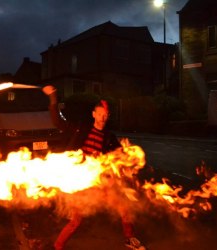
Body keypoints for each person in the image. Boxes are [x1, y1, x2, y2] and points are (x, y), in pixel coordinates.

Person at [42, 85, 145, 250]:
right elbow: (58, 122)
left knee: (124, 206)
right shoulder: (81, 129)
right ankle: (58, 247)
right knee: (76, 220)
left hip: (100, 182)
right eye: (100, 115)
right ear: (94, 114)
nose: (103, 118)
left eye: (105, 116)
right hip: (80, 181)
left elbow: (120, 157)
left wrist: (127, 160)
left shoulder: (109, 138)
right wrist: (53, 99)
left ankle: (129, 238)